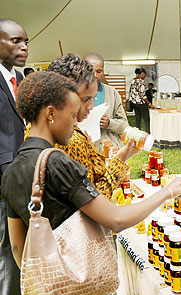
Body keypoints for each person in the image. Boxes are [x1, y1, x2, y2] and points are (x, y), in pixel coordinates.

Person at [2, 71, 181, 295]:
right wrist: (167, 192)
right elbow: (114, 218)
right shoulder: (57, 162)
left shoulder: (12, 171)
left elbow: (17, 246)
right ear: (50, 114)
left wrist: (50, 281)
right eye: (71, 115)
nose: (75, 124)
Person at [25, 54, 136, 199]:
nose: (91, 107)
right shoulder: (70, 140)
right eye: (85, 99)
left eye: (99, 71)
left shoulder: (34, 129)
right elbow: (93, 200)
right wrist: (120, 159)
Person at [0, 18, 31, 295]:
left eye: (26, 42)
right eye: (15, 41)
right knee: (9, 243)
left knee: (18, 239)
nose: (23, 47)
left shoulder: (18, 78)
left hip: (20, 170)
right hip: (4, 176)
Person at [84, 53, 129, 152]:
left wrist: (109, 123)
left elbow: (124, 126)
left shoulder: (112, 93)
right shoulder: (75, 93)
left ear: (103, 71)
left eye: (99, 71)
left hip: (110, 151)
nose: (95, 75)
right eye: (90, 71)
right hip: (85, 151)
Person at [129, 68, 154, 133]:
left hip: (134, 103)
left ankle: (137, 133)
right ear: (142, 73)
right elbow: (143, 95)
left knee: (138, 118)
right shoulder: (141, 81)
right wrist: (149, 104)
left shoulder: (133, 80)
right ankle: (147, 133)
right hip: (141, 103)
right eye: (144, 74)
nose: (145, 76)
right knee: (146, 119)